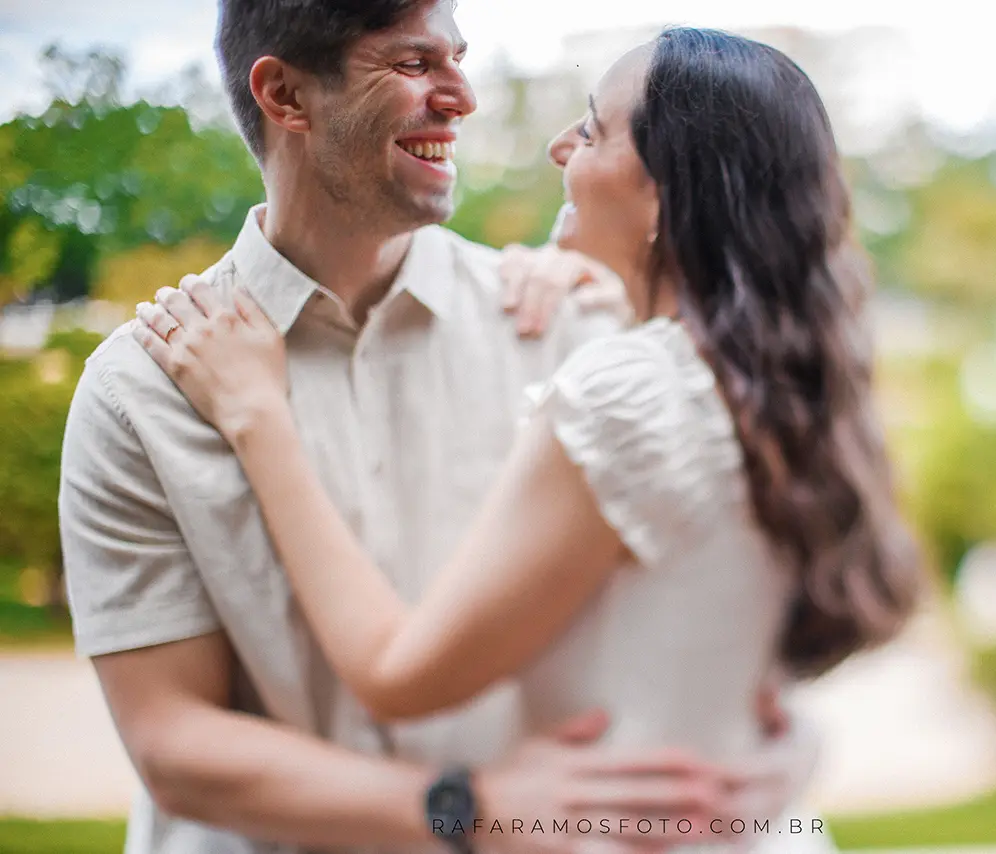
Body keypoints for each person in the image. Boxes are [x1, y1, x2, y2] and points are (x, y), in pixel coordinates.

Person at [131, 23, 921, 854]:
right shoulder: (771, 385)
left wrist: (259, 414)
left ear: (662, 195)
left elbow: (396, 675)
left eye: (591, 128)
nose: (558, 146)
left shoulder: (628, 395)